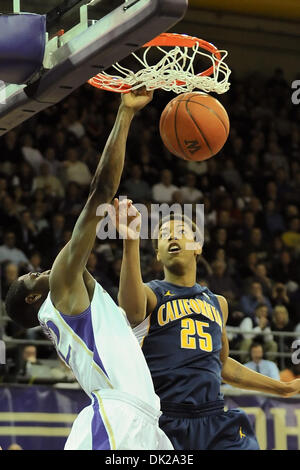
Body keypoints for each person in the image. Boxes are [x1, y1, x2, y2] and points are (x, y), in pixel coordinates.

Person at [4, 89, 172, 451]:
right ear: (34, 297)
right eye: (32, 275)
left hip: (143, 419)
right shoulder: (62, 284)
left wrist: (130, 242)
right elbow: (102, 191)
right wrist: (125, 114)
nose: (39, 269)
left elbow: (131, 327)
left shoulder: (79, 312)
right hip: (118, 417)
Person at [114, 199, 300, 450]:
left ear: (197, 247)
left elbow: (223, 364)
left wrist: (284, 388)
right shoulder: (151, 293)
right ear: (157, 254)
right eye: (163, 235)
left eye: (181, 232)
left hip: (214, 419)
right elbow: (129, 307)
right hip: (164, 419)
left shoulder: (218, 303)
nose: (172, 237)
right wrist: (130, 241)